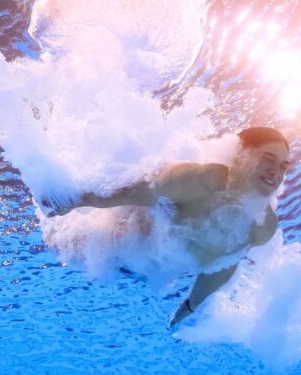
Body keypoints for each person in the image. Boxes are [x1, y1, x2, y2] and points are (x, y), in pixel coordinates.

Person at [43, 127, 290, 329]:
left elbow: (225, 262)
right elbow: (131, 191)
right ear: (238, 156)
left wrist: (191, 304)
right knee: (53, 241)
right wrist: (74, 200)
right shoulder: (199, 181)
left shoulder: (263, 227)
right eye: (267, 159)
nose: (275, 172)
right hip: (111, 244)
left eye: (283, 166)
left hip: (146, 269)